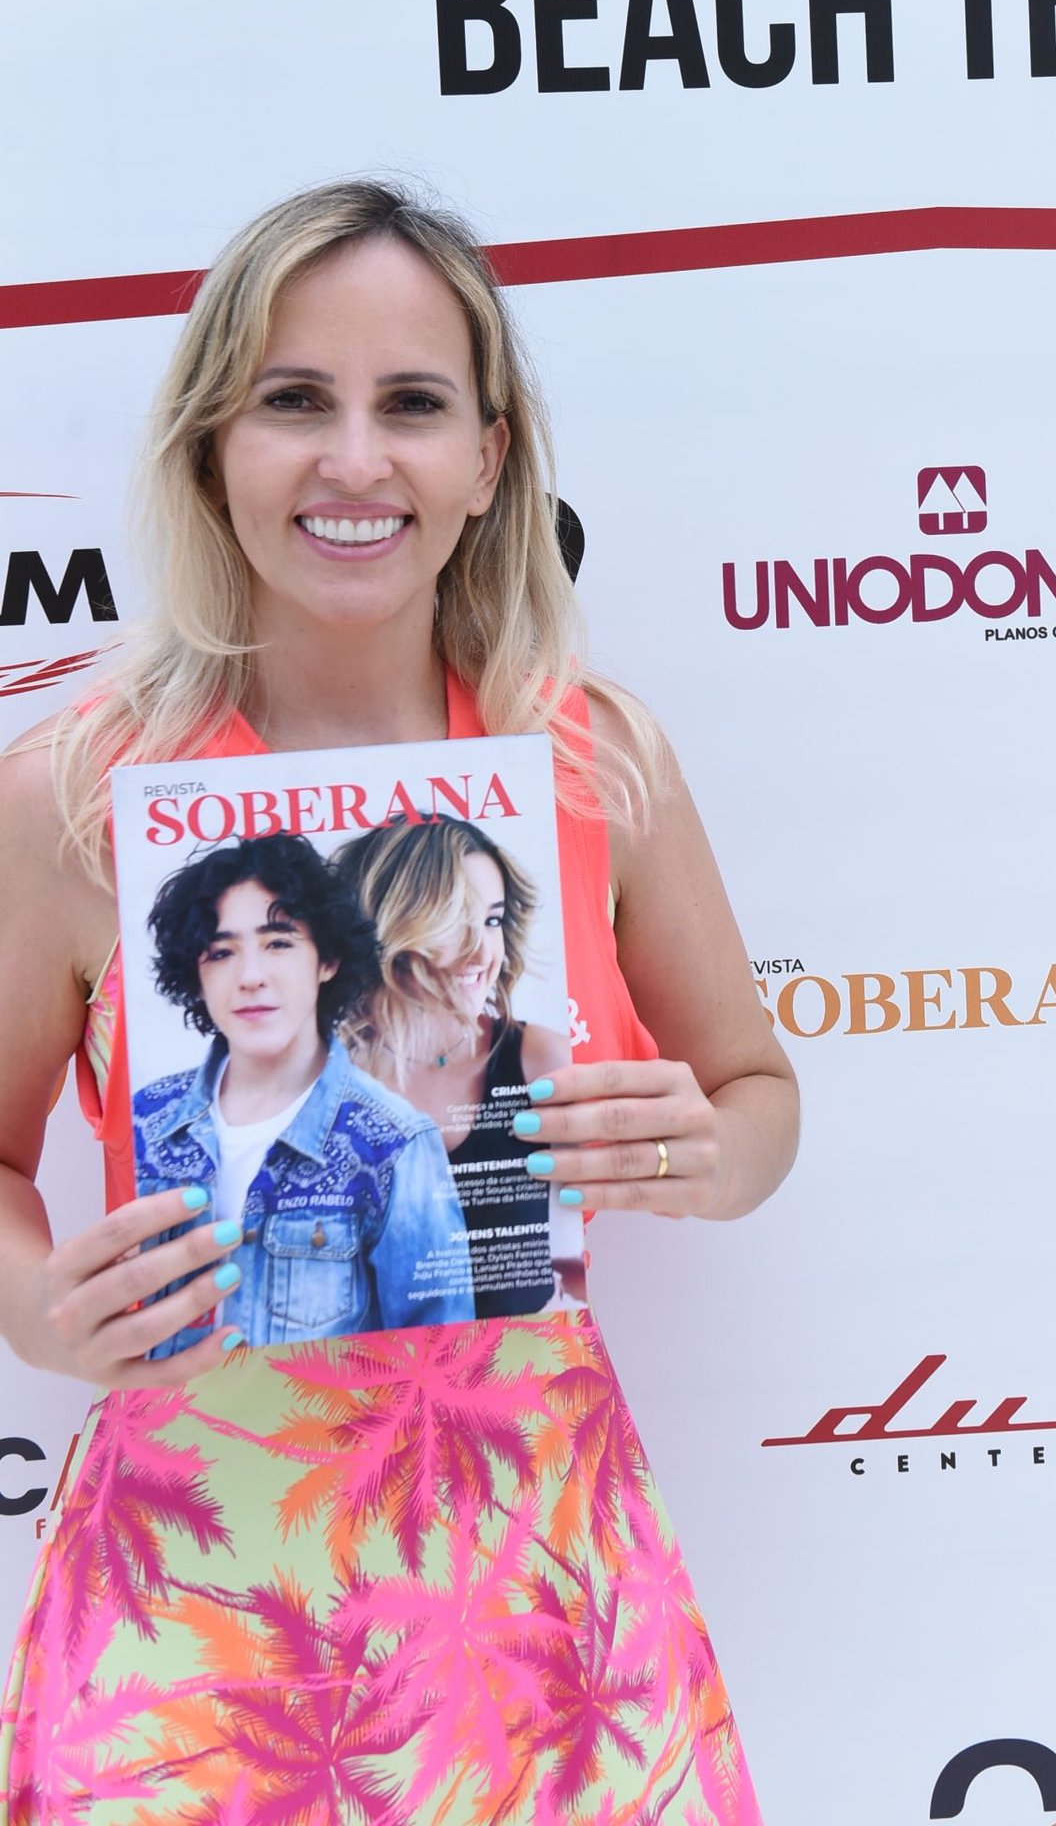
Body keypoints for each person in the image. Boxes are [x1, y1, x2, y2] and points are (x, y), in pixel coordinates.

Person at [0, 179, 797, 1822]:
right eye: (295, 401)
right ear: (212, 447)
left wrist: (709, 1156)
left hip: (535, 1584)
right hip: (197, 1600)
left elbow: (756, 1094)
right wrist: (30, 1306)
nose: (355, 461)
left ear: (488, 460)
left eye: (413, 405)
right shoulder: (71, 801)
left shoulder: (597, 763)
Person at [134, 832, 475, 1349]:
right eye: (221, 952)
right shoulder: (147, 1120)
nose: (251, 976)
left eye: (278, 943)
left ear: (327, 960)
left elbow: (441, 1352)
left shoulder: (394, 1141)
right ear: (196, 975)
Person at [332, 816, 576, 1316]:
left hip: (517, 1359)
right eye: (453, 921)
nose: (482, 952)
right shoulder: (319, 1080)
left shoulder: (540, 1061)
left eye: (491, 920)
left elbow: (567, 1271)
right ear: (388, 924)